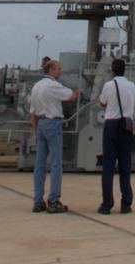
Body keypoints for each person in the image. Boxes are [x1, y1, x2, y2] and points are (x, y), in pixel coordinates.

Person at [29, 56, 77, 213]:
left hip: (41, 124)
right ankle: (54, 200)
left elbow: (33, 112)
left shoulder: (36, 86)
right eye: (58, 69)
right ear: (51, 70)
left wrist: (35, 131)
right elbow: (71, 96)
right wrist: (76, 91)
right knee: (56, 163)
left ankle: (38, 201)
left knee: (40, 164)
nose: (61, 71)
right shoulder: (53, 85)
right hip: (52, 123)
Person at [98, 56, 135, 215]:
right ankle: (126, 203)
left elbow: (102, 102)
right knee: (125, 165)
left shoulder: (109, 85)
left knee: (108, 166)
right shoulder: (132, 86)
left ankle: (107, 204)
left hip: (112, 125)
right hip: (126, 125)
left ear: (113, 71)